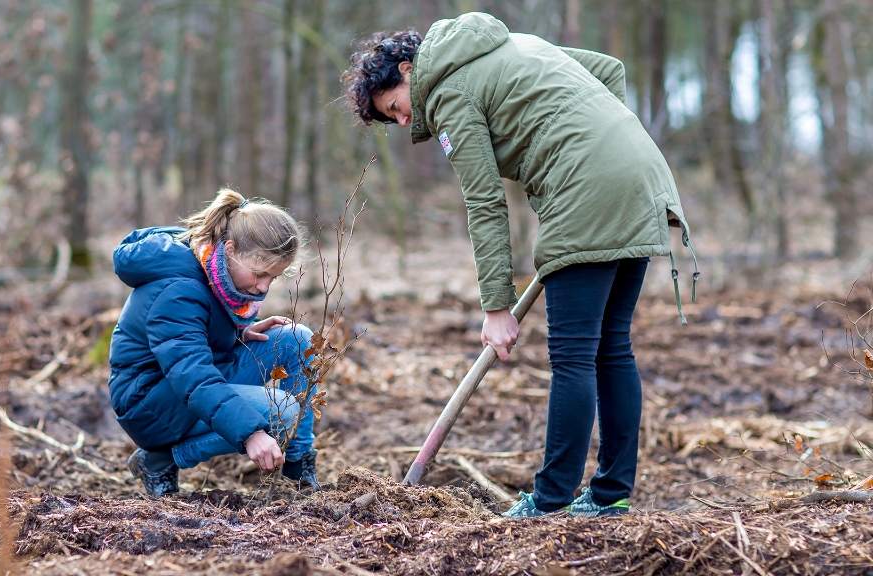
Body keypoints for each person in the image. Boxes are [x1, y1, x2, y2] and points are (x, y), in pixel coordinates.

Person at [343, 12, 698, 517]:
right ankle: (610, 493)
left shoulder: (446, 93)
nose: (403, 121)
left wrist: (496, 306)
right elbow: (610, 70)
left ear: (407, 69)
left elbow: (484, 200)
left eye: (395, 108)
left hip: (589, 189)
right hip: (642, 173)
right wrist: (592, 146)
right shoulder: (515, 44)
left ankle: (550, 502)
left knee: (574, 354)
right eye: (392, 119)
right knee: (611, 346)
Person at [108, 189, 320, 499]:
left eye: (272, 279)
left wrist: (239, 332)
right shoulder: (178, 290)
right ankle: (158, 460)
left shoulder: (218, 270)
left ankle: (297, 468)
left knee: (297, 340)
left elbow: (197, 336)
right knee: (284, 412)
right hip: (151, 403)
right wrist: (251, 434)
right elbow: (191, 374)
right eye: (260, 274)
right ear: (231, 249)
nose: (263, 287)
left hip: (190, 380)